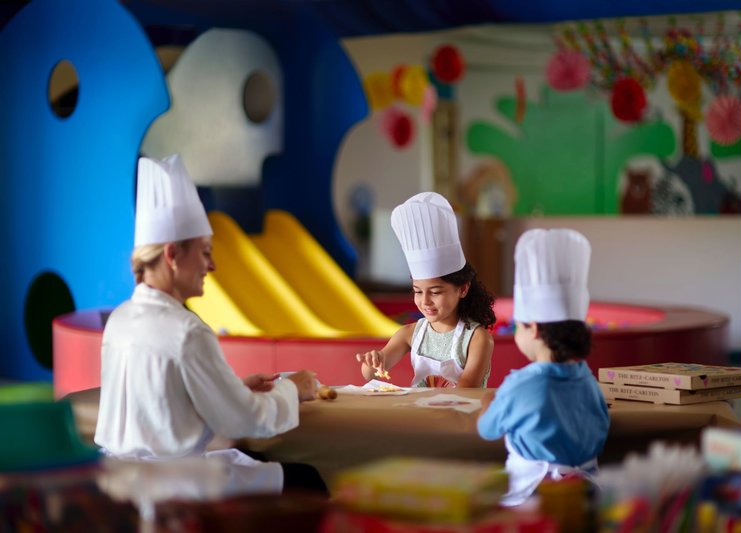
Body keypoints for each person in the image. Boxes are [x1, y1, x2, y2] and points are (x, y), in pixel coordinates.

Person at [94, 154, 326, 497]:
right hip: (174, 489)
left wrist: (229, 389)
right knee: (308, 482)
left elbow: (158, 407)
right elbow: (246, 421)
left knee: (258, 462)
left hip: (117, 482)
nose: (212, 265)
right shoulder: (187, 331)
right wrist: (294, 388)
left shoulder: (120, 320)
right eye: (205, 252)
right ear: (172, 255)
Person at [476, 228, 610, 507]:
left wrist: (489, 402)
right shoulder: (589, 380)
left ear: (533, 329)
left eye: (518, 326)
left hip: (532, 497)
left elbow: (487, 429)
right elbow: (602, 425)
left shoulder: (520, 384)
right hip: (588, 495)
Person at [356, 192, 495, 388]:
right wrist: (374, 361)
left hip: (461, 409)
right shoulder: (410, 333)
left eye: (435, 292)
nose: (425, 301)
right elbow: (368, 374)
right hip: (418, 409)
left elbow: (466, 391)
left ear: (463, 289)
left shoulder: (477, 338)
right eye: (418, 291)